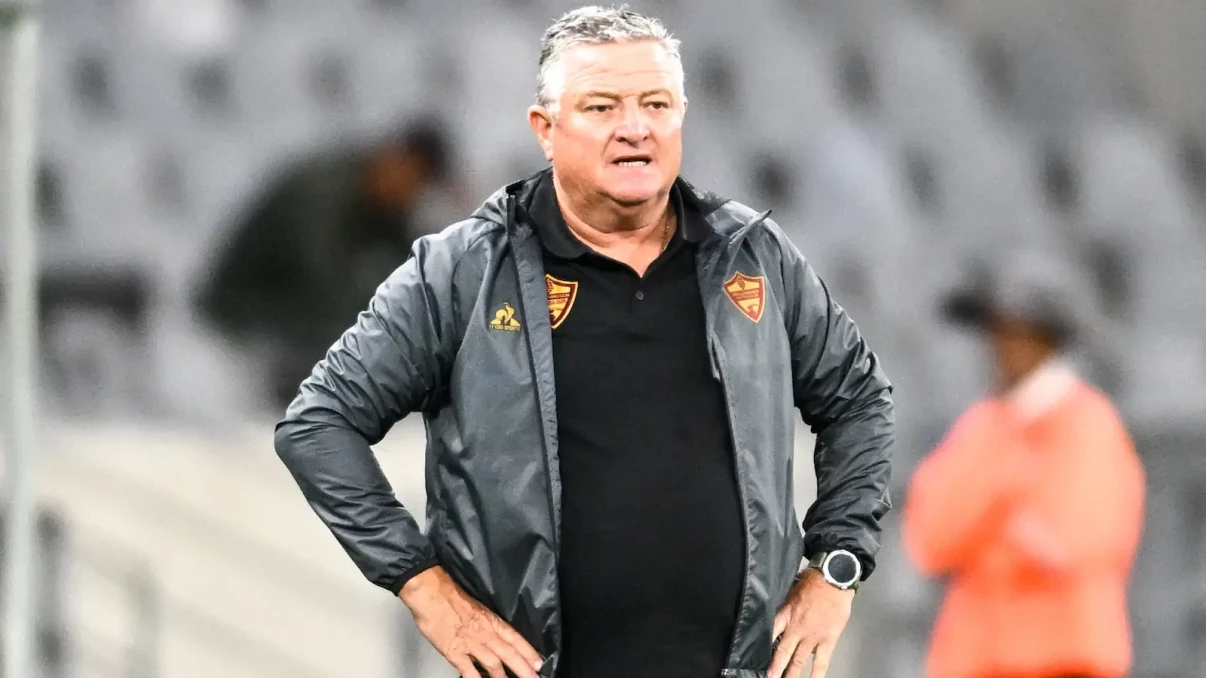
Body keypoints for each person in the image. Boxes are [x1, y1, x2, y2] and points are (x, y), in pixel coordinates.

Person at [274, 7, 894, 678]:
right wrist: (426, 589)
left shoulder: (754, 255)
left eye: (656, 103)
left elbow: (859, 398)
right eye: (602, 107)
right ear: (545, 128)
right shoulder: (463, 272)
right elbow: (318, 425)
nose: (635, 127)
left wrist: (835, 567)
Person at [903, 252, 1145, 678]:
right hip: (976, 664)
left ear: (1048, 339)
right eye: (997, 332)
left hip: (1064, 663)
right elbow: (930, 537)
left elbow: (1069, 540)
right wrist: (1011, 492)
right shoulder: (983, 426)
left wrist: (990, 526)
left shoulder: (1089, 423)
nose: (1000, 346)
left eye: (1017, 332)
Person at [194, 117, 455, 409]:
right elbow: (320, 278)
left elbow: (410, 262)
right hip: (242, 304)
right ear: (395, 159)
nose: (413, 195)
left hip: (289, 299)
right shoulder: (325, 193)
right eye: (415, 181)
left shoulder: (377, 195)